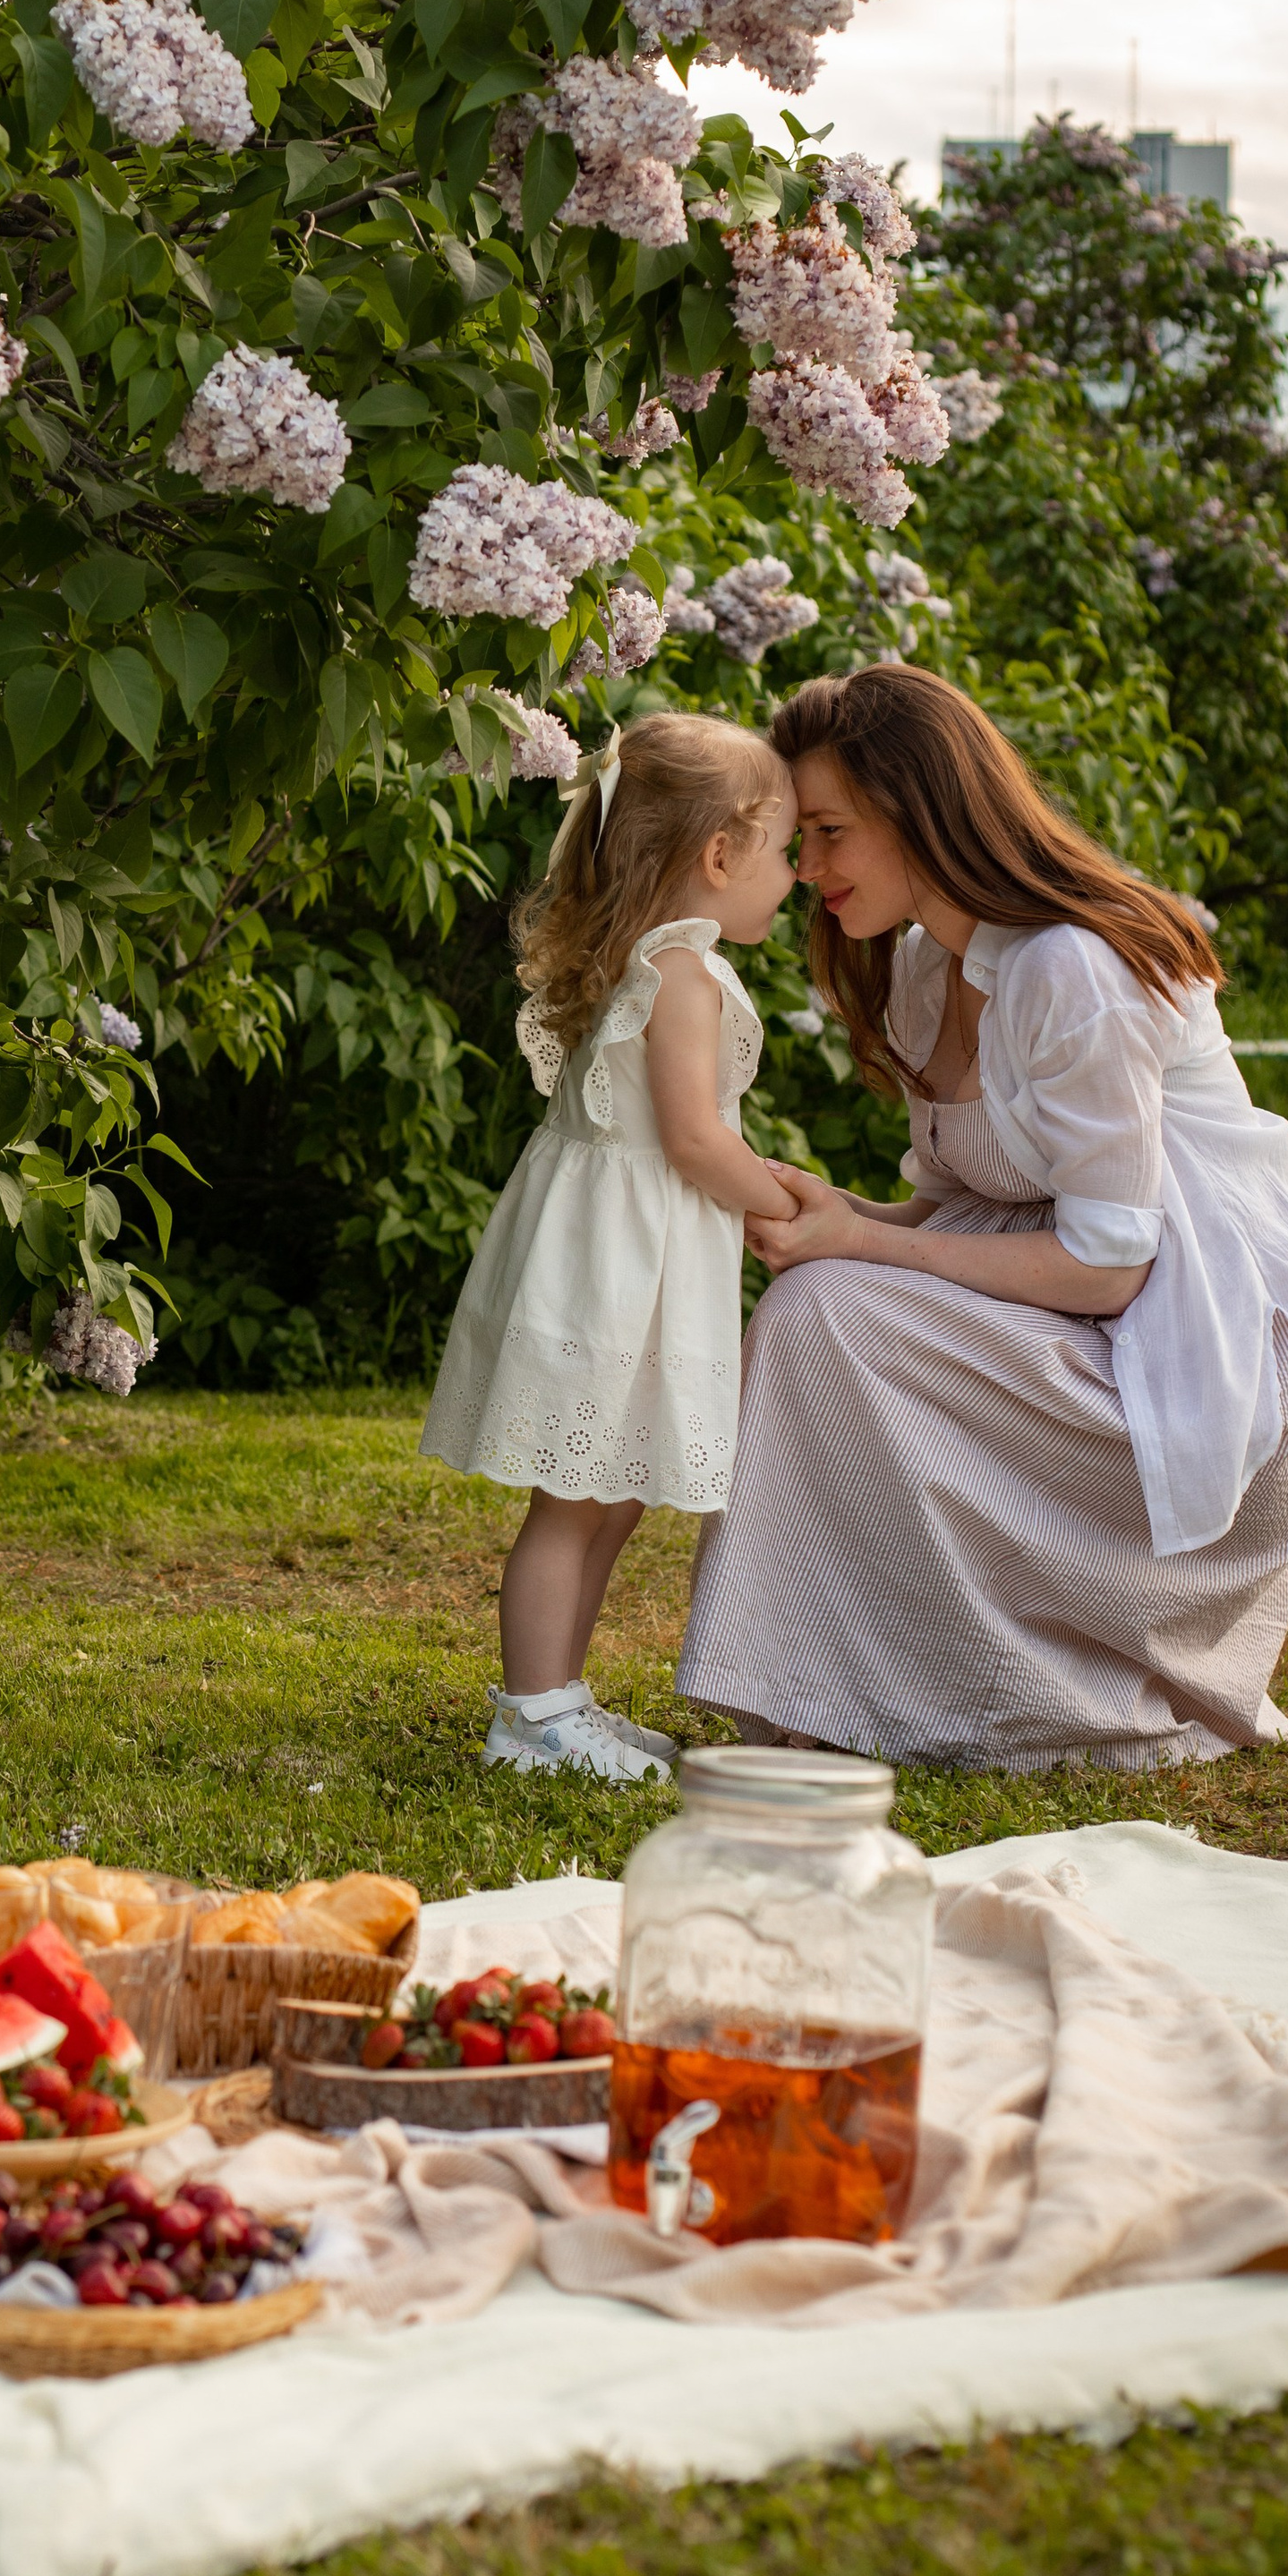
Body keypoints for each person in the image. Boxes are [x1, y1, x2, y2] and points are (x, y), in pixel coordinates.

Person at [681, 664, 1288, 1772]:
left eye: (830, 833)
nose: (807, 871)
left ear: (920, 808)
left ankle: (850, 1687)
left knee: (826, 1310)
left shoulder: (1068, 967)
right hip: (1090, 1323)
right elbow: (964, 1213)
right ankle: (832, 1684)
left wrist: (863, 1243)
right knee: (823, 1305)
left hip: (1194, 1360)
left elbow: (1107, 1267)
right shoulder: (923, 972)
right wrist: (840, 1209)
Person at [421, 713, 802, 1784]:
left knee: (613, 1488)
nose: (792, 878)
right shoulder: (677, 973)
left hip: (629, 1264)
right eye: (782, 853)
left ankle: (561, 1700)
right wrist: (776, 1205)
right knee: (575, 1496)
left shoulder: (649, 962)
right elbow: (690, 1137)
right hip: (613, 1276)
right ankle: (531, 1713)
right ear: (719, 855)